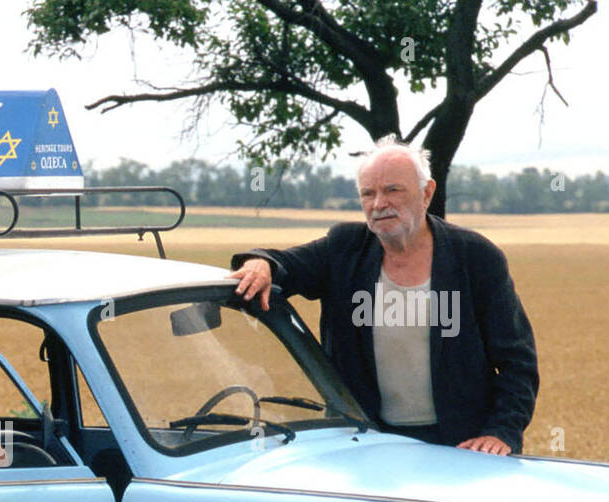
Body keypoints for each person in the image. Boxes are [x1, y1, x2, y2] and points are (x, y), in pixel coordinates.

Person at [228, 136, 538, 455]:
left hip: (461, 446)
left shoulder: (475, 257)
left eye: (393, 190)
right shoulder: (344, 249)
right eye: (368, 193)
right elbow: (285, 265)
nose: (379, 204)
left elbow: (517, 361)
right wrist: (260, 264)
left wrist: (503, 431)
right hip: (366, 443)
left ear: (427, 193)